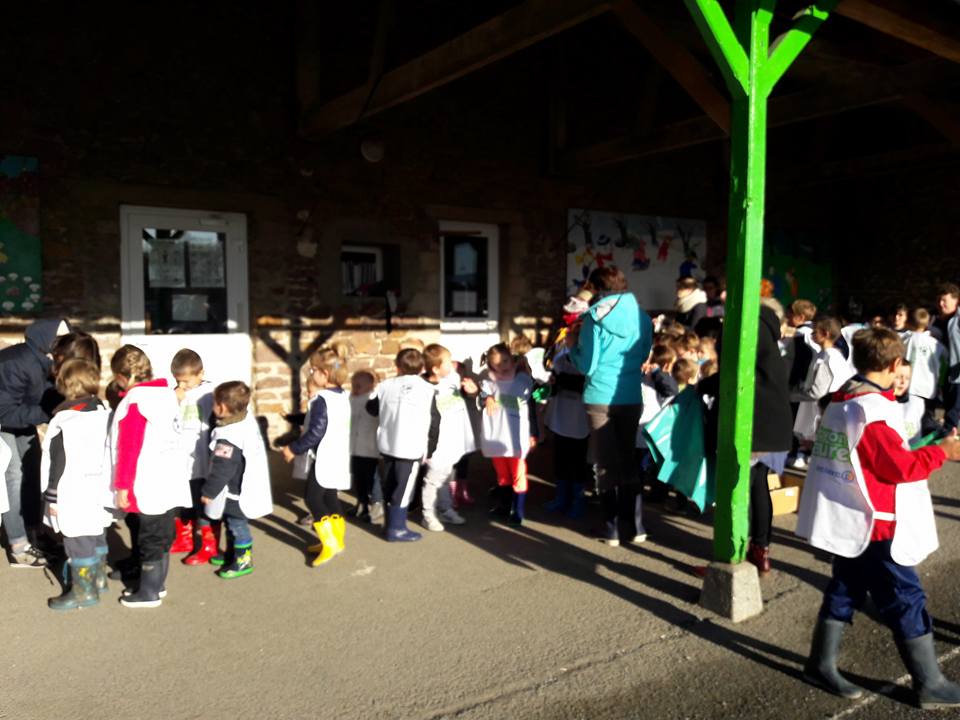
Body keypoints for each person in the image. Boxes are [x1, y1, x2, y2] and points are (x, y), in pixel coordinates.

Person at [797, 327, 960, 708]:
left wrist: (929, 444)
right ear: (894, 364)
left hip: (853, 516)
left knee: (845, 587)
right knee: (906, 597)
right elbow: (899, 468)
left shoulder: (845, 398)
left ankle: (819, 664)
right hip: (878, 521)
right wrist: (944, 451)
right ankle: (930, 683)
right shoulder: (872, 411)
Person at [568, 266, 653, 546]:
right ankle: (637, 526)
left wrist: (572, 347)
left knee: (605, 462)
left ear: (595, 288)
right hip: (630, 394)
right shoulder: (642, 317)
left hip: (601, 396)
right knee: (628, 458)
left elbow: (587, 365)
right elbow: (643, 354)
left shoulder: (594, 318)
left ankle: (612, 529)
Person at [110, 344, 189, 608]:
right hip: (169, 478)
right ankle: (158, 584)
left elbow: (129, 448)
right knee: (162, 535)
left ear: (121, 377)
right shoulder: (166, 395)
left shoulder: (136, 402)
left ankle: (149, 592)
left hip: (148, 481)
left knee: (151, 538)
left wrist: (122, 485)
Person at [41, 359, 112, 610]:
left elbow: (57, 464)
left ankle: (84, 592)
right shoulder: (103, 410)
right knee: (96, 531)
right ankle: (99, 579)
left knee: (77, 540)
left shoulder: (64, 421)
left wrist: (52, 497)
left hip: (72, 490)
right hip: (99, 484)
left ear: (64, 385)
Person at [0, 318, 70, 568]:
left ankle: (34, 530)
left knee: (32, 467)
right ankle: (18, 545)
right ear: (46, 339)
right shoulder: (16, 362)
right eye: (60, 339)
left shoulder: (48, 361)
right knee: (13, 473)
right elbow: (4, 410)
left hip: (19, 416)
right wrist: (48, 412)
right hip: (3, 417)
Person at [282, 344, 351, 565]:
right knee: (330, 497)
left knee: (312, 498)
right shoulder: (344, 396)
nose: (311, 374)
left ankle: (329, 544)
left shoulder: (322, 400)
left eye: (313, 370)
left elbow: (315, 432)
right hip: (338, 455)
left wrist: (293, 448)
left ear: (325, 374)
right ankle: (337, 540)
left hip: (325, 457)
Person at [201, 381, 272, 578]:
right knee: (230, 522)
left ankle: (243, 561)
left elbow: (221, 469)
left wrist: (208, 492)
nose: (212, 407)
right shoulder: (245, 419)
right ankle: (232, 554)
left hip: (235, 491)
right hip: (239, 486)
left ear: (222, 408)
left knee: (237, 525)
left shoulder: (228, 438)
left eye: (214, 403)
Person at [366, 348, 437, 542]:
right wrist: (431, 448)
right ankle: (396, 529)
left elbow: (371, 409)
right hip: (411, 448)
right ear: (422, 368)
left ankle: (390, 525)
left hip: (388, 444)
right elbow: (434, 421)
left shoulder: (385, 386)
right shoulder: (428, 389)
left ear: (397, 366)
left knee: (390, 485)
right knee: (403, 490)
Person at [419, 344, 477, 532]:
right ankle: (428, 514)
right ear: (436, 368)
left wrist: (471, 392)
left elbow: (466, 396)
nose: (452, 364)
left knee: (445, 476)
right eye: (447, 361)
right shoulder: (423, 387)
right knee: (433, 478)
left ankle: (445, 508)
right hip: (437, 442)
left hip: (455, 437)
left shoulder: (453, 377)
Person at [479, 343, 537, 526]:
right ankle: (504, 507)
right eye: (497, 363)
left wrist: (533, 433)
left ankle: (518, 511)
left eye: (505, 361)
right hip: (496, 437)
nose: (502, 366)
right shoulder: (489, 384)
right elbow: (480, 398)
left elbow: (532, 406)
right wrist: (487, 398)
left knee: (518, 474)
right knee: (502, 475)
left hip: (516, 438)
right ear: (491, 366)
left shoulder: (523, 380)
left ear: (512, 360)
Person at [168, 349, 217, 564]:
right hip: (182, 460)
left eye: (186, 381)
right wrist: (173, 400)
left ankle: (208, 544)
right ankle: (184, 538)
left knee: (202, 504)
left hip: (203, 460)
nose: (182, 385)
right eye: (178, 380)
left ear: (200, 374)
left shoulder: (210, 394)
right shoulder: (175, 394)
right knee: (184, 500)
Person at [543, 310, 591, 518]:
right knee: (560, 460)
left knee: (578, 462)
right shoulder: (561, 358)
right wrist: (549, 386)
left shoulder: (588, 362)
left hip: (580, 420)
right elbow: (555, 383)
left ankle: (577, 500)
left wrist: (562, 381)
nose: (568, 341)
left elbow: (584, 385)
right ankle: (561, 497)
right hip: (561, 416)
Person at [791, 317, 854, 468]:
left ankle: (806, 454)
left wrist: (791, 396)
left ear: (825, 334)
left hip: (820, 409)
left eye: (815, 332)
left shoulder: (826, 358)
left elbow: (817, 392)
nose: (812, 334)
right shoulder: (832, 356)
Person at [347, 370, 384, 523]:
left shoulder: (373, 400)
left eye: (359, 386)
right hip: (354, 447)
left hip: (369, 447)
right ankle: (362, 502)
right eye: (353, 385)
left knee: (372, 477)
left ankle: (377, 503)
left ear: (370, 386)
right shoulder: (350, 400)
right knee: (358, 476)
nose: (355, 389)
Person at [905, 308, 946, 436]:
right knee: (927, 419)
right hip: (929, 390)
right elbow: (944, 366)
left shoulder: (904, 339)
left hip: (907, 387)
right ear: (928, 323)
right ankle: (929, 438)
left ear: (909, 322)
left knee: (909, 420)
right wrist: (941, 383)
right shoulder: (937, 345)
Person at [894, 360, 924, 446]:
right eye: (898, 377)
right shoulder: (881, 403)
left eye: (907, 378)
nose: (903, 382)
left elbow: (926, 423)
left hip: (912, 450)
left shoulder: (917, 402)